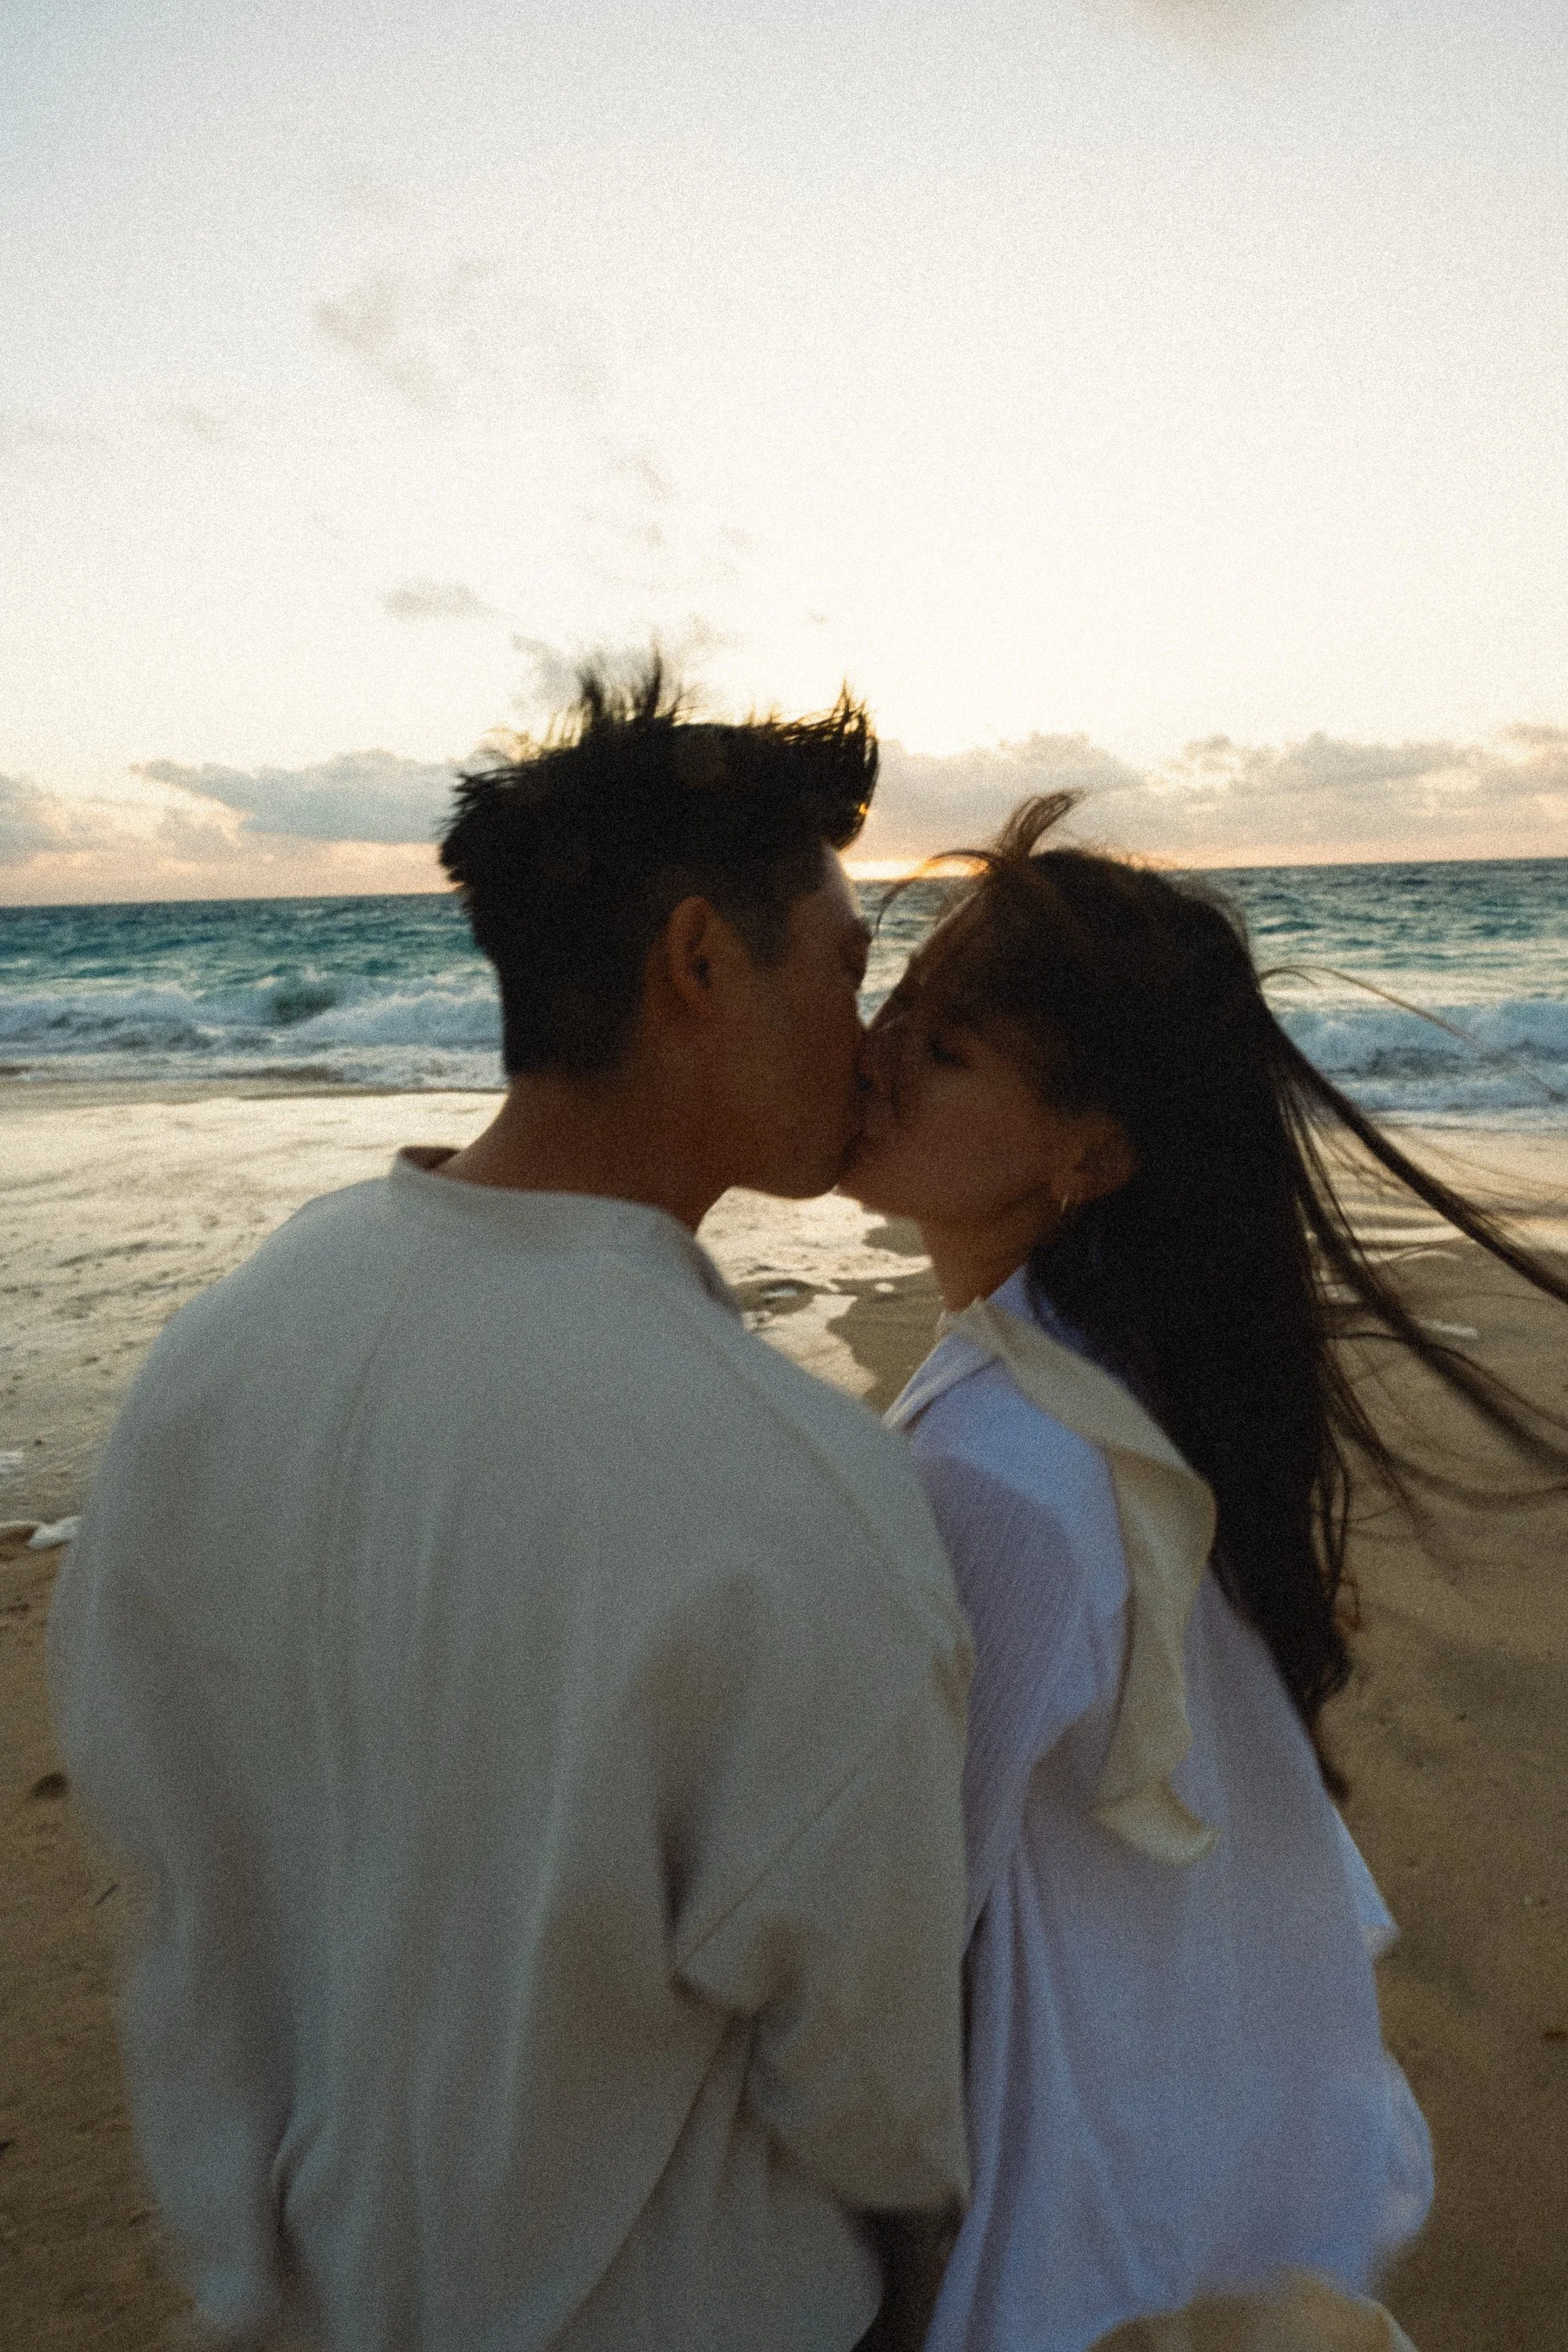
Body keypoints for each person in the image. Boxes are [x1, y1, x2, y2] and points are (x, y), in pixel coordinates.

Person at [49, 666, 974, 2352]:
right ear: (698, 961)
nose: (875, 1032)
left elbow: (163, 1828)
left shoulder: (219, 1354)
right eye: (847, 968)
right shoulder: (792, 1487)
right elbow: (879, 2096)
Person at [840, 794, 1568, 2352]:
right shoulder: (1119, 1377)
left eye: (950, 1049)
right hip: (1226, 2162)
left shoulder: (999, 1467)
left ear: (1088, 1154)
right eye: (897, 1002)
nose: (881, 1051)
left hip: (1090, 2236)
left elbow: (896, 1940)